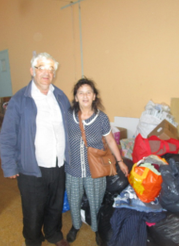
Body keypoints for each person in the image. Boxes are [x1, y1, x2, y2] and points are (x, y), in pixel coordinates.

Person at [0, 52, 70, 246]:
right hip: (31, 167)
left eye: (50, 69)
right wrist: (9, 166)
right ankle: (32, 240)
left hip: (58, 164)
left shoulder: (61, 96)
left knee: (54, 206)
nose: (46, 73)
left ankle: (54, 234)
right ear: (32, 71)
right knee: (33, 209)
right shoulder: (20, 99)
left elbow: (69, 127)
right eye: (41, 68)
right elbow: (7, 135)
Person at [65, 77, 129, 245]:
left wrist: (120, 161)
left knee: (95, 201)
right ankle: (75, 226)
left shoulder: (102, 118)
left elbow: (110, 141)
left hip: (95, 170)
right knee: (74, 199)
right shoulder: (68, 116)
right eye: (81, 93)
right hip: (73, 169)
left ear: (94, 96)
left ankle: (95, 229)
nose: (85, 96)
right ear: (76, 97)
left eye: (88, 93)